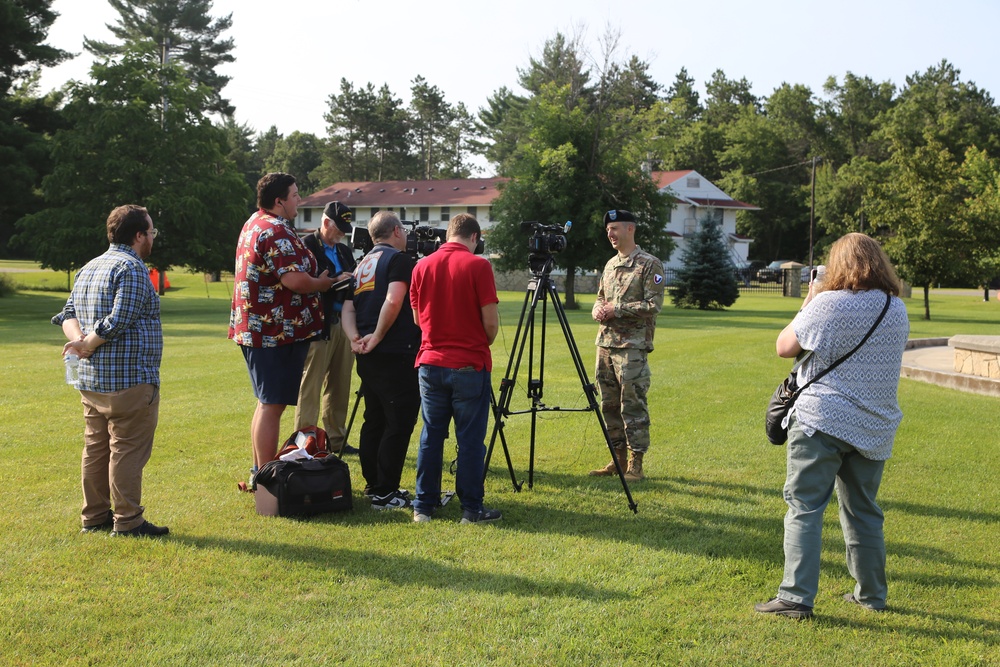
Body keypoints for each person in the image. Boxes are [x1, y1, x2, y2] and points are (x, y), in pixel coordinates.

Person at [754, 233, 909, 619]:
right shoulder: (896, 308)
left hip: (822, 420)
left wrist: (810, 298)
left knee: (804, 507)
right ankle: (871, 595)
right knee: (864, 512)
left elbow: (785, 346)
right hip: (874, 425)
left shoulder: (828, 303)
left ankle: (795, 597)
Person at [53, 204, 168, 537]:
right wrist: (86, 344)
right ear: (138, 235)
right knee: (126, 450)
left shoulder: (90, 266)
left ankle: (94, 516)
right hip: (128, 380)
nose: (152, 238)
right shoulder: (131, 267)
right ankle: (128, 520)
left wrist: (78, 343)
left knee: (96, 448)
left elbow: (68, 314)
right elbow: (120, 319)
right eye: (151, 232)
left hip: (90, 380)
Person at [229, 172, 337, 476]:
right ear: (279, 201)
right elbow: (294, 280)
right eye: (295, 195)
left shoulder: (255, 222)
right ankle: (266, 476)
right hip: (272, 331)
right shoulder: (275, 230)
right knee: (272, 405)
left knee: (266, 402)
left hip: (257, 327)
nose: (298, 200)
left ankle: (257, 470)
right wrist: (323, 284)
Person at [409, 213, 501, 524]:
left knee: (431, 435)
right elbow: (490, 323)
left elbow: (417, 320)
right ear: (474, 237)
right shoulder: (478, 265)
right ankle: (471, 509)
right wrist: (476, 341)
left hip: (431, 361)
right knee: (471, 439)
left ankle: (423, 505)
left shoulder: (421, 266)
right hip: (468, 362)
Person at [340, 212, 422, 509]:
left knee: (373, 418)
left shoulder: (361, 263)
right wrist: (376, 335)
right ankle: (385, 490)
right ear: (397, 231)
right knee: (398, 421)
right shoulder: (399, 260)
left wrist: (354, 338)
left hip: (366, 351)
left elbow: (347, 308)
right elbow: (394, 299)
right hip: (394, 349)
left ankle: (374, 483)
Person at [589, 209, 665, 482]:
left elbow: (653, 305)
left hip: (632, 347)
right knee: (608, 404)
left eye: (615, 228)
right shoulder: (610, 265)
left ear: (630, 229)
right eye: (608, 229)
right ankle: (618, 459)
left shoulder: (648, 264)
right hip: (605, 346)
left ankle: (636, 464)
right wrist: (598, 309)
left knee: (632, 405)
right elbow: (601, 297)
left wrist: (616, 310)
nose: (610, 234)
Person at [294, 201, 359, 455]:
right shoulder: (306, 246)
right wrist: (334, 281)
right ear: (325, 223)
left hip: (343, 322)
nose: (342, 233)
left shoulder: (343, 250)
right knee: (311, 386)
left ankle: (336, 440)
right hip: (317, 325)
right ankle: (304, 443)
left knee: (340, 385)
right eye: (339, 227)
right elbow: (305, 282)